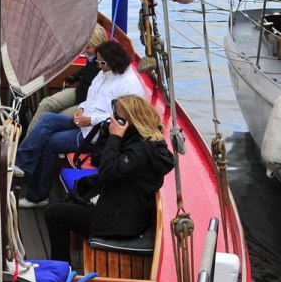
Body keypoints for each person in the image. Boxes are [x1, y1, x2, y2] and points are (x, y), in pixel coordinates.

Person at [14, 40, 146, 206]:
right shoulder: (104, 72)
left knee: (49, 143)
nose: (98, 65)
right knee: (47, 119)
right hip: (84, 122)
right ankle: (21, 163)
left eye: (102, 62)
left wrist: (90, 120)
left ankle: (38, 196)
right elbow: (92, 96)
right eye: (98, 61)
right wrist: (82, 109)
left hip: (97, 134)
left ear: (114, 61)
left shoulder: (130, 86)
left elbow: (124, 118)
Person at [43, 94, 174, 262]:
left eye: (117, 117)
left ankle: (60, 269)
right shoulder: (139, 141)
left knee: (53, 213)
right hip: (119, 208)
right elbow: (100, 160)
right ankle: (60, 266)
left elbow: (108, 171)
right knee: (59, 204)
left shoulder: (140, 151)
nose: (112, 119)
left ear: (129, 122)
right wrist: (112, 137)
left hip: (120, 222)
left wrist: (115, 137)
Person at [25, 25, 108, 135]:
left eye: (88, 48)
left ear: (99, 48)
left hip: (87, 101)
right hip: (79, 91)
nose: (85, 51)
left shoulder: (105, 65)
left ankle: (34, 145)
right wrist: (74, 77)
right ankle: (26, 144)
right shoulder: (92, 59)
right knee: (46, 104)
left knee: (57, 118)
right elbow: (87, 69)